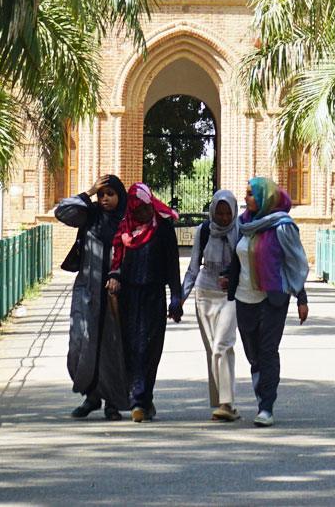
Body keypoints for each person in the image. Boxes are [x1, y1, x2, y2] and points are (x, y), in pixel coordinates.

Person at [221, 177, 309, 428]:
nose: (246, 198)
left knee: (267, 350)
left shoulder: (282, 226)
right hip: (243, 297)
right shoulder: (244, 224)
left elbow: (294, 263)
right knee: (253, 354)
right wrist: (229, 276)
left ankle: (266, 406)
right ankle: (263, 398)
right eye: (246, 193)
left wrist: (301, 298)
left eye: (251, 194)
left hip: (272, 298)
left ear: (264, 197)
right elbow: (239, 257)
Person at [54, 175, 130, 421]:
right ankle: (91, 395)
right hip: (87, 289)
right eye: (102, 194)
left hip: (115, 293)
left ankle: (111, 402)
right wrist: (88, 192)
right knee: (81, 342)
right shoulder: (90, 215)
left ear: (120, 196)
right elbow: (62, 212)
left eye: (111, 194)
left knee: (111, 347)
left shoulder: (126, 221)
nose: (105, 199)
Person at [106, 183, 182, 423]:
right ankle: (139, 399)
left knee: (149, 348)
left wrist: (176, 298)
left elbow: (172, 266)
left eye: (145, 210)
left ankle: (142, 397)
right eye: (137, 211)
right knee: (131, 347)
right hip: (129, 296)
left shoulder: (163, 229)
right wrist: (115, 277)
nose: (142, 215)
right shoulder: (125, 230)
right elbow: (117, 260)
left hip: (153, 296)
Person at [180, 190, 241, 422]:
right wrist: (181, 297)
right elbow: (194, 266)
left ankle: (227, 403)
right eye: (220, 213)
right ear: (213, 212)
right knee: (211, 350)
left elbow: (245, 263)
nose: (224, 218)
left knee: (222, 346)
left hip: (229, 295)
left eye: (228, 213)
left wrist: (233, 278)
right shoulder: (204, 231)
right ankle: (221, 403)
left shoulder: (240, 230)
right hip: (205, 293)